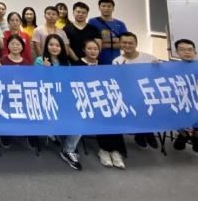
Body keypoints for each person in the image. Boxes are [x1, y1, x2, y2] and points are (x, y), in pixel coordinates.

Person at [74, 39, 127, 169]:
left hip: (102, 98)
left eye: (95, 49)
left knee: (113, 113)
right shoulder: (77, 65)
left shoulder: (103, 65)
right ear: (84, 50)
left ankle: (115, 151)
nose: (93, 51)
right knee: (102, 113)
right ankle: (104, 150)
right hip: (85, 100)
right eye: (89, 48)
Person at [35, 34, 82, 171]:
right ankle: (63, 143)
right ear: (46, 46)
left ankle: (68, 149)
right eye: (51, 45)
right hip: (46, 99)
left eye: (57, 45)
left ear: (62, 47)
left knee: (79, 119)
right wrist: (45, 70)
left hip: (63, 99)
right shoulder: (40, 60)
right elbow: (37, 82)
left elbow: (66, 83)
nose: (54, 48)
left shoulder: (65, 63)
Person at [112, 32, 159, 149]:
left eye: (130, 43)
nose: (127, 45)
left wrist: (158, 67)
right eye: (124, 43)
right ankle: (145, 132)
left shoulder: (150, 58)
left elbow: (159, 76)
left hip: (148, 92)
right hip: (129, 93)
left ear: (136, 44)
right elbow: (118, 82)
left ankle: (144, 133)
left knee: (148, 102)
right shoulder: (117, 61)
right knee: (136, 103)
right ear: (120, 44)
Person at [0, 34, 32, 149]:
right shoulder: (1, 61)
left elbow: (30, 81)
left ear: (22, 46)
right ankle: (6, 134)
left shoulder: (27, 64)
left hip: (22, 96)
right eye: (12, 44)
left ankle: (27, 133)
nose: (15, 46)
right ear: (8, 46)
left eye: (18, 44)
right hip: (6, 96)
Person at [172, 39, 198, 153]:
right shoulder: (170, 68)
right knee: (168, 111)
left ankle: (196, 137)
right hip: (179, 101)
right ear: (177, 52)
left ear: (195, 52)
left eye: (189, 49)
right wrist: (155, 66)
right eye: (182, 50)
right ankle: (183, 134)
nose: (186, 52)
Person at [88, 0, 127, 65]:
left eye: (109, 6)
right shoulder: (92, 22)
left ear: (113, 8)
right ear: (99, 8)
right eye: (103, 6)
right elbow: (90, 42)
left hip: (116, 60)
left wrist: (104, 44)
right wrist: (114, 41)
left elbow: (124, 44)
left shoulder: (120, 24)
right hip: (97, 60)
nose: (106, 8)